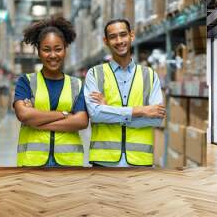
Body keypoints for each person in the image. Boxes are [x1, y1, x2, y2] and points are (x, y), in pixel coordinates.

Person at [84, 19, 166, 167]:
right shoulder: (95, 74)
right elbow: (95, 115)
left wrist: (109, 112)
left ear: (131, 36)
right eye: (113, 37)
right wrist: (140, 110)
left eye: (123, 35)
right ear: (106, 41)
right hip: (104, 161)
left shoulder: (149, 75)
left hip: (140, 162)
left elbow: (157, 119)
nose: (119, 41)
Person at [14, 16, 88, 167]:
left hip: (69, 162)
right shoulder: (26, 81)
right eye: (46, 50)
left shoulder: (77, 85)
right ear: (39, 52)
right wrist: (66, 114)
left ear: (65, 50)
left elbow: (81, 121)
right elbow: (24, 114)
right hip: (33, 161)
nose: (53, 55)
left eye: (58, 49)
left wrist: (37, 121)